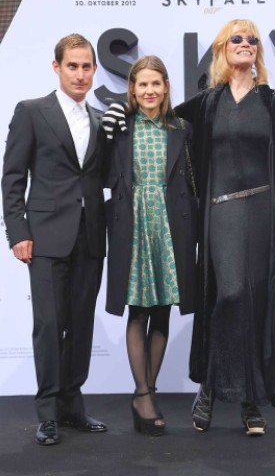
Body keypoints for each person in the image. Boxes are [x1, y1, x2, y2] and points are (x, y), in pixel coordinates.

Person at [102, 19, 275, 436]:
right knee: (226, 296)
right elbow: (157, 114)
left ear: (257, 53)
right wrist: (118, 109)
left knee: (255, 304)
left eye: (252, 40)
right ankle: (211, 386)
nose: (245, 44)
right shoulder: (207, 103)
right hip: (219, 214)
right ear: (221, 49)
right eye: (237, 38)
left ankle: (249, 401)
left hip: (263, 214)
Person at [1, 34, 108, 445]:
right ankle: (47, 412)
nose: (80, 74)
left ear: (94, 69)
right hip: (44, 237)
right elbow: (13, 178)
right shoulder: (31, 111)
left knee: (80, 325)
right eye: (72, 66)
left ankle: (71, 406)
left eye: (86, 66)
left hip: (90, 237)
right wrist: (18, 232)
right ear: (56, 67)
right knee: (49, 325)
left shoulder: (99, 119)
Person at [103, 55, 198, 436]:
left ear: (166, 87)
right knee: (138, 310)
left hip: (172, 225)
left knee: (162, 311)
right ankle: (142, 394)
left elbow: (192, 179)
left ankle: (148, 392)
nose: (149, 91)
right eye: (142, 84)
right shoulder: (119, 127)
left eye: (156, 84)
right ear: (132, 89)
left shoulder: (182, 129)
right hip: (133, 225)